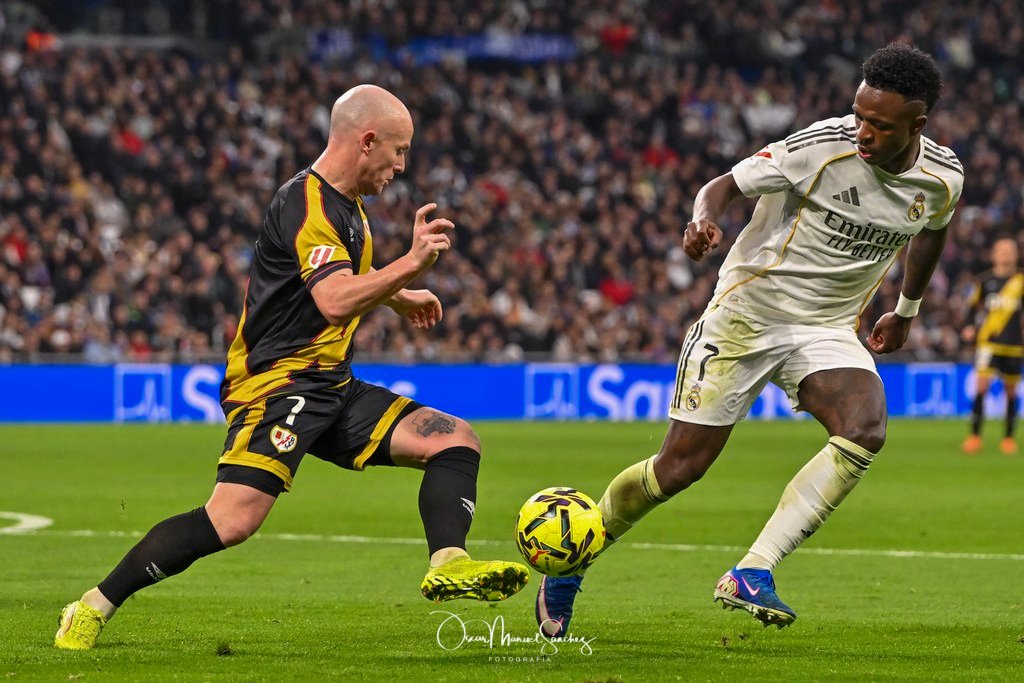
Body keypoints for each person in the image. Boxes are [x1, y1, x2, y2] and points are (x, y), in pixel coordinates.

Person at [55, 84, 529, 650]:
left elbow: (339, 281)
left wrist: (399, 297)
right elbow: (333, 300)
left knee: (455, 439)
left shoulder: (349, 207)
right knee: (231, 520)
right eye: (399, 151)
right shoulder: (306, 204)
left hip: (332, 384)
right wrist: (408, 265)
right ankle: (93, 606)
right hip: (279, 385)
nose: (402, 166)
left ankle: (448, 562)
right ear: (367, 141)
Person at [536, 43, 962, 635]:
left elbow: (933, 230)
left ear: (917, 124)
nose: (863, 132)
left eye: (880, 124)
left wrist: (907, 309)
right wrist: (701, 219)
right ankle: (572, 563)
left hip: (826, 326)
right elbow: (723, 185)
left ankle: (753, 569)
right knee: (679, 469)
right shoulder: (821, 147)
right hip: (747, 315)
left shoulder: (942, 177)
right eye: (859, 115)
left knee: (865, 428)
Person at [961, 237, 1023, 455]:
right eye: (1002, 250)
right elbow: (971, 307)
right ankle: (975, 437)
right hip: (988, 344)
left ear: (1016, 255)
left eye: (1010, 251)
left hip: (1015, 345)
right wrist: (969, 326)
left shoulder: (1021, 281)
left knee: (1011, 392)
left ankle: (1008, 438)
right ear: (994, 255)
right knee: (981, 388)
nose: (1006, 254)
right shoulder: (984, 281)